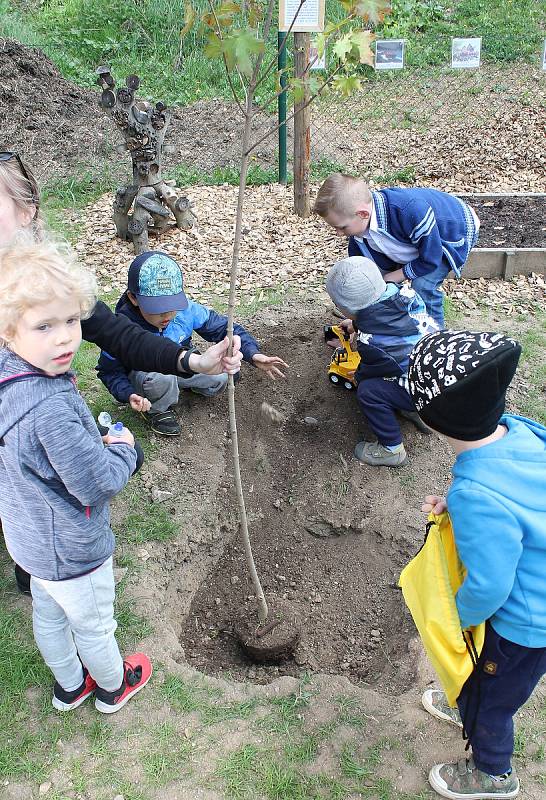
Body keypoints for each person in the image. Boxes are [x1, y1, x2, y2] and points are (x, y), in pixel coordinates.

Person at [0, 151, 242, 593]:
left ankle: (32, 562)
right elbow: (96, 479)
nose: (62, 332)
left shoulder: (48, 284)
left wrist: (193, 361)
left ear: (26, 210)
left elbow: (120, 337)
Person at [0, 240, 153, 713]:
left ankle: (69, 686)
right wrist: (126, 453)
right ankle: (112, 686)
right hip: (71, 546)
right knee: (92, 622)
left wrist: (84, 448)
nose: (65, 338)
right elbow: (95, 483)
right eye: (44, 325)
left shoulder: (12, 376)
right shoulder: (50, 410)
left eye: (71, 321)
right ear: (8, 331)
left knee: (48, 615)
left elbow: (44, 458)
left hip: (28, 538)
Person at [408, 329, 546, 800]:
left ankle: (492, 774)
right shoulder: (521, 431)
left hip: (527, 623)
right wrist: (457, 503)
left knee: (494, 701)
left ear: (434, 422)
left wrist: (455, 620)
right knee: (488, 685)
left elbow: (489, 586)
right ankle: (468, 699)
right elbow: (511, 495)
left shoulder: (476, 494)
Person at [96, 251, 288, 435]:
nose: (167, 316)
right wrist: (128, 394)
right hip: (146, 375)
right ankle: (158, 409)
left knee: (222, 374)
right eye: (158, 308)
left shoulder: (186, 311)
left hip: (180, 363)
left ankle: (186, 386)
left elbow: (225, 328)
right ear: (133, 298)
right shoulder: (120, 329)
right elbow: (109, 371)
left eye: (172, 307)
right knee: (161, 378)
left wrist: (253, 354)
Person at [313, 173, 480, 328]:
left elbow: (431, 258)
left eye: (341, 227)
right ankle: (386, 325)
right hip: (409, 240)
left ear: (362, 213)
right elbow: (370, 285)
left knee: (423, 285)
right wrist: (358, 322)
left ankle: (434, 340)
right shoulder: (358, 236)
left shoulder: (408, 211)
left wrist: (399, 275)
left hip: (449, 232)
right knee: (379, 282)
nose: (339, 233)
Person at [324, 255, 437, 467]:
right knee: (399, 374)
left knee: (368, 391)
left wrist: (355, 372)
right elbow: (390, 322)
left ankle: (391, 449)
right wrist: (359, 324)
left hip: (423, 389)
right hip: (438, 371)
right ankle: (416, 411)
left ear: (346, 307)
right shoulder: (406, 294)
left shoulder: (371, 344)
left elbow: (369, 372)